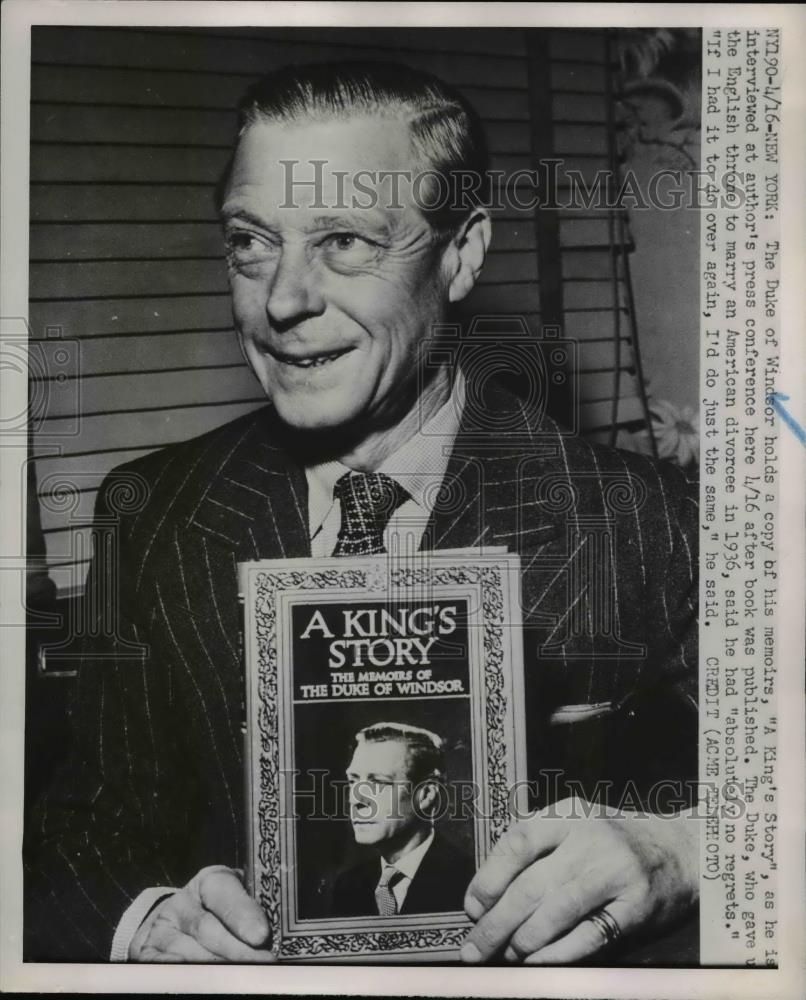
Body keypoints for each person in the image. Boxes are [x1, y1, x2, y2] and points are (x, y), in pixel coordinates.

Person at [24, 60, 699, 965]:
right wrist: (143, 917)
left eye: (343, 240)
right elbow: (84, 831)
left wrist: (688, 851)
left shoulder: (650, 518)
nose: (282, 300)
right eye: (251, 242)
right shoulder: (151, 514)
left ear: (461, 253)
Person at [330, 722, 474, 918]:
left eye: (379, 782)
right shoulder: (346, 886)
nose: (357, 799)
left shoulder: (469, 880)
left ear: (425, 795)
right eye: (353, 781)